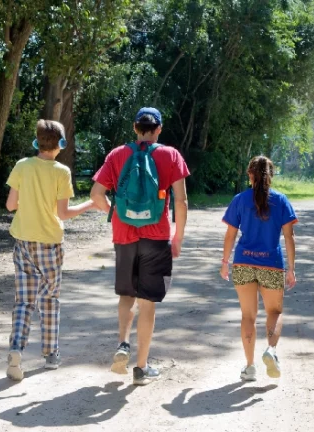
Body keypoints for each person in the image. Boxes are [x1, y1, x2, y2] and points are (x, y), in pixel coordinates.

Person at [90, 107, 189, 386]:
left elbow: (96, 194)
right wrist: (178, 237)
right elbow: (181, 201)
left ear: (135, 128)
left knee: (127, 295)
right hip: (156, 237)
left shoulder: (117, 155)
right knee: (147, 303)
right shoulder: (171, 155)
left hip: (124, 236)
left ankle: (123, 343)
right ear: (159, 129)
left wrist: (115, 213)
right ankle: (141, 368)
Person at [4, 119, 96, 381]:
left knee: (24, 301)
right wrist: (90, 204)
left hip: (23, 241)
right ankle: (50, 353)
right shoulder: (62, 172)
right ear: (62, 144)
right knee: (49, 298)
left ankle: (16, 348)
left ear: (37, 141)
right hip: (50, 245)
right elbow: (63, 213)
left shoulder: (22, 165)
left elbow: (10, 205)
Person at [219, 156, 297, 382]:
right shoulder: (281, 200)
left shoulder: (239, 199)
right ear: (271, 175)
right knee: (275, 312)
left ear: (250, 174)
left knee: (248, 316)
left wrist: (225, 262)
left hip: (243, 263)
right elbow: (289, 237)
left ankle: (250, 366)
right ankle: (271, 350)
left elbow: (230, 235)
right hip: (271, 264)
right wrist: (291, 268)